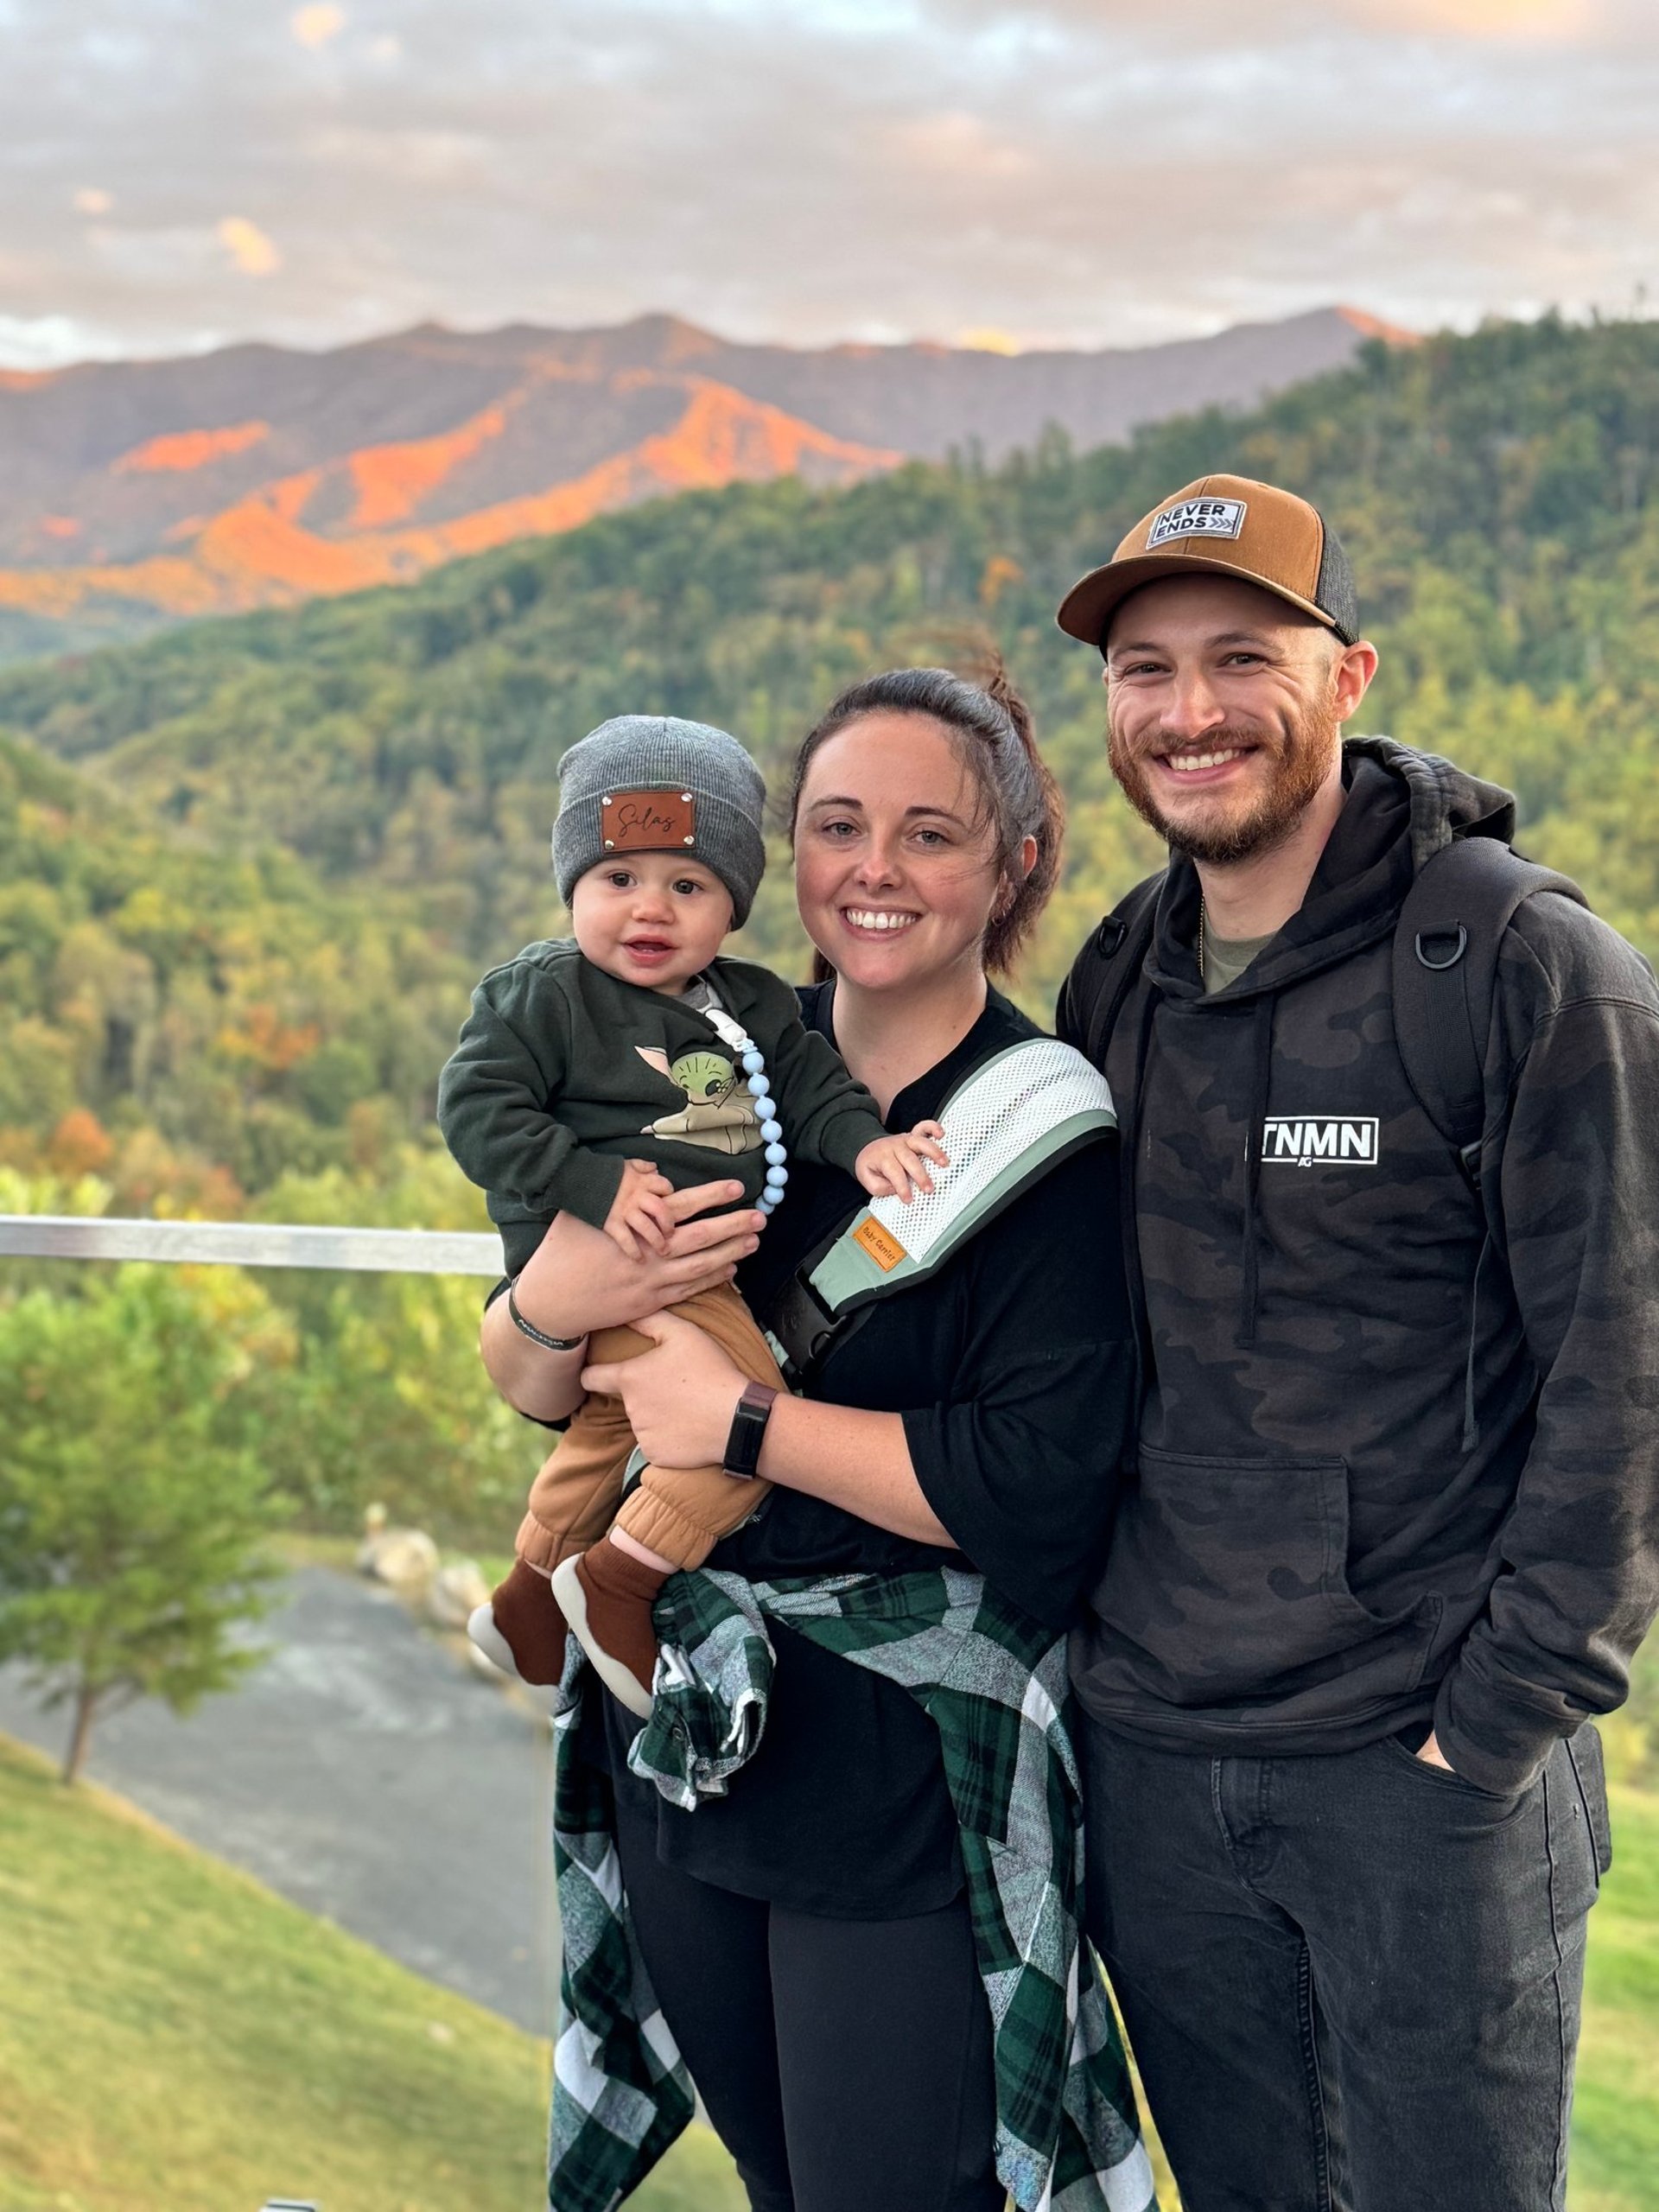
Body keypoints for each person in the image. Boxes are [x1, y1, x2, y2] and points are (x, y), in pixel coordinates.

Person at [1053, 472, 1659, 2212]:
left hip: (1425, 1775)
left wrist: (1488, 1734)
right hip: (1160, 1761)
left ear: (1349, 672)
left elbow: (1625, 1383)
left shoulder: (1524, 967)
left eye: (1242, 656)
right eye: (1144, 669)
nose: (1188, 712)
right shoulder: (1121, 983)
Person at [478, 667, 1149, 2212]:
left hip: (897, 1763)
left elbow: (1035, 1496)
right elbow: (536, 1379)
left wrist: (746, 1426)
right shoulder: (718, 1049)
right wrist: (558, 1301)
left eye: (930, 834)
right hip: (694, 1729)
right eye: (840, 826)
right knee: (777, 2184)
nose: (875, 871)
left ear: (1014, 863)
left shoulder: (1041, 1140)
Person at [436, 713, 944, 1713]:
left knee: (601, 1432)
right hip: (632, 1257)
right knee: (740, 1427)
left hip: (690, 1265)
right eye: (617, 879)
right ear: (573, 886)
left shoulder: (748, 1006)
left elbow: (813, 1089)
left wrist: (869, 1145)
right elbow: (475, 1109)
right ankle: (621, 1576)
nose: (648, 909)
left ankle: (530, 1592)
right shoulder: (547, 996)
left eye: (688, 884)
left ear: (734, 905)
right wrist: (589, 1185)